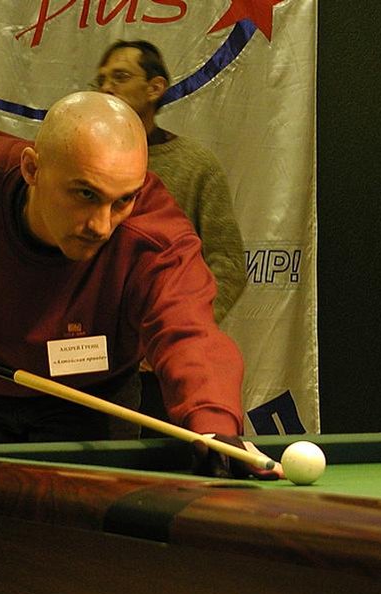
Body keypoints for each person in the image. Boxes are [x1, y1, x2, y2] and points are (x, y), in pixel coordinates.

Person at [0, 91, 276, 479]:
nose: (102, 225)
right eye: (85, 194)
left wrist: (213, 427)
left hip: (92, 397)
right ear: (32, 168)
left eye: (123, 199)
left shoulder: (154, 237)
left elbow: (192, 335)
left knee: (85, 537)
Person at [94, 40, 247, 428]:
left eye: (120, 76)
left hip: (166, 370)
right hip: (91, 367)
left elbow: (227, 262)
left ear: (155, 87)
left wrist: (177, 333)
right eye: (101, 80)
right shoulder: (81, 161)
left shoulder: (195, 165)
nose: (106, 88)